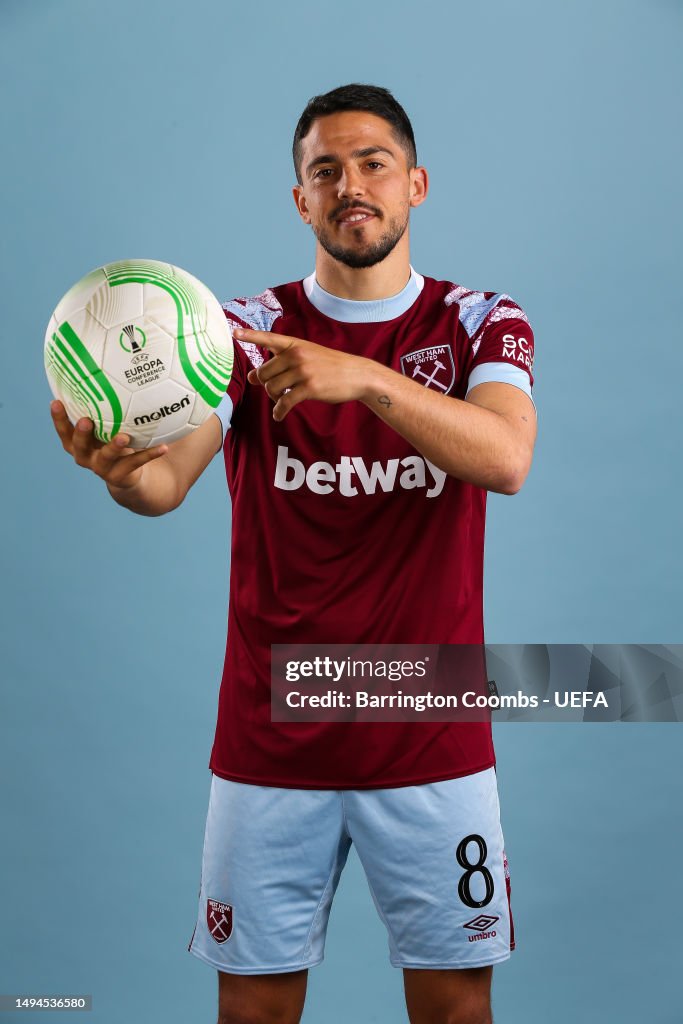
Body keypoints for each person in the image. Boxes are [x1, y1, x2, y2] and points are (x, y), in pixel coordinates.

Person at [51, 84, 536, 1024]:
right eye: (324, 170)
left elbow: (506, 457)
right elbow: (165, 485)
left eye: (371, 164)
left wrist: (361, 379)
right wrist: (115, 470)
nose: (349, 185)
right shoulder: (232, 334)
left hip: (429, 738)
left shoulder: (480, 320)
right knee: (255, 1014)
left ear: (416, 184)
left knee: (454, 1011)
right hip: (268, 746)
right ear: (300, 200)